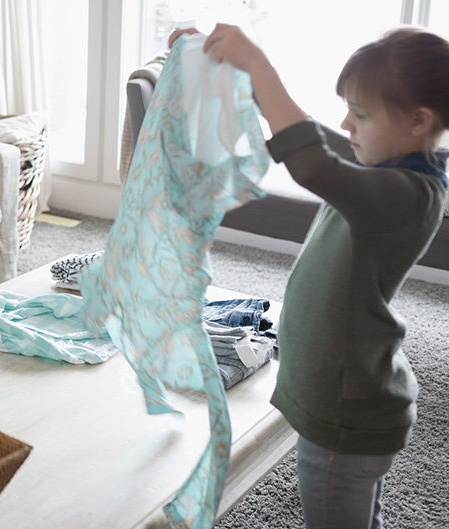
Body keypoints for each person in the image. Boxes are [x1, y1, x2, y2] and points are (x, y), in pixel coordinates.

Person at [169, 24, 448, 528]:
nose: (347, 123)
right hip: (350, 395)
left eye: (361, 114)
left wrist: (257, 62)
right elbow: (316, 137)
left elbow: (313, 163)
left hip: (347, 411)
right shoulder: (392, 170)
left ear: (417, 120)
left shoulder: (406, 196)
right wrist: (227, 69)